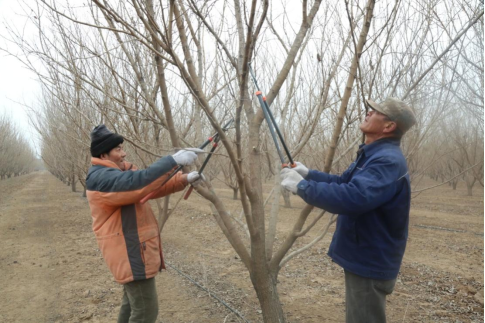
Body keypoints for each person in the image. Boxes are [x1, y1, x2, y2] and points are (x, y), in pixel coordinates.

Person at [281, 98, 417, 323]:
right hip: (364, 253)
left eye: (375, 112)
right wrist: (309, 174)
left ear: (389, 126)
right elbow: (344, 182)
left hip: (369, 259)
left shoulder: (386, 161)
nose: (368, 112)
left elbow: (353, 197)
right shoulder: (372, 154)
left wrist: (301, 186)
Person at [86, 125, 204, 323]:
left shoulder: (117, 172)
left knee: (132, 304)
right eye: (118, 149)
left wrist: (183, 178)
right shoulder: (102, 178)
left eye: (122, 148)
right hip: (129, 250)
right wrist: (172, 161)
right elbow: (139, 183)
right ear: (103, 154)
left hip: (131, 248)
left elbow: (150, 188)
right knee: (145, 312)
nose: (123, 153)